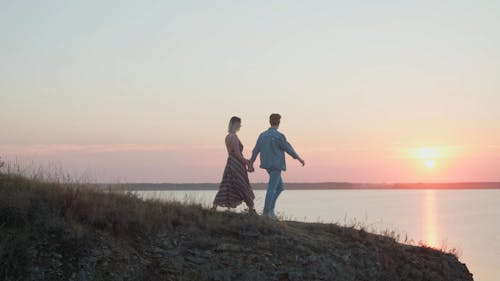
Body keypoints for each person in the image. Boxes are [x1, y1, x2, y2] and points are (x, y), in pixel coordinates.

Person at [249, 113, 305, 219]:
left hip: (267, 165)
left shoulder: (262, 135)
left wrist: (251, 162)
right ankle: (266, 212)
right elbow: (288, 148)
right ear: (279, 123)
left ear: (270, 122)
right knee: (272, 188)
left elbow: (256, 149)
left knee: (280, 188)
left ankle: (271, 210)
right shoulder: (278, 136)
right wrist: (299, 158)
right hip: (276, 165)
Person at [212, 116, 256, 214]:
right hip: (236, 164)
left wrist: (246, 161)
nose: (240, 126)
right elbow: (236, 153)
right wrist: (246, 162)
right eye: (239, 124)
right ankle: (251, 209)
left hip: (230, 163)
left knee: (227, 184)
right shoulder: (234, 137)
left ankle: (214, 206)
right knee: (243, 184)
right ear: (236, 124)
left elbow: (233, 153)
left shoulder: (227, 137)